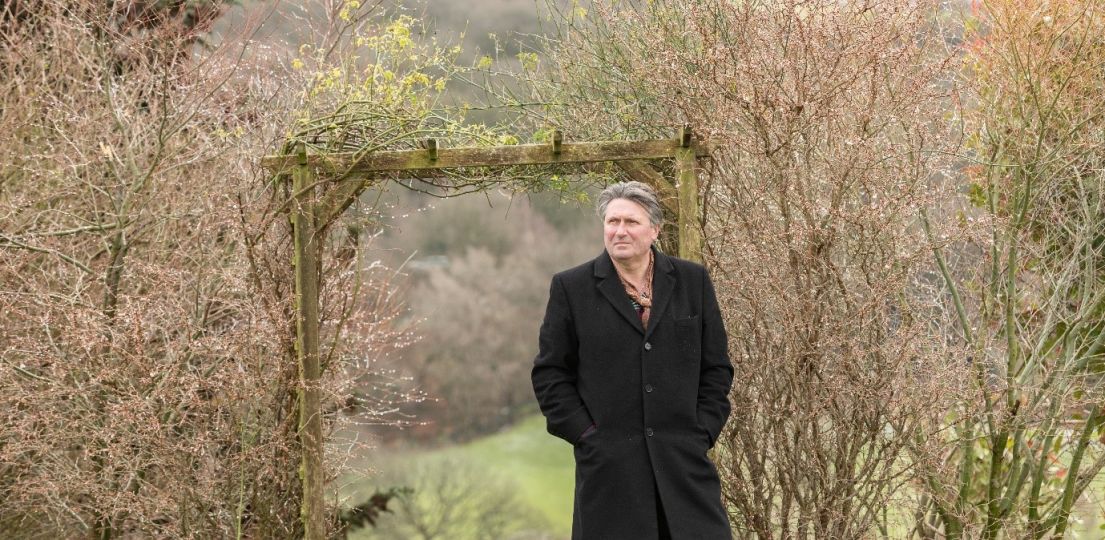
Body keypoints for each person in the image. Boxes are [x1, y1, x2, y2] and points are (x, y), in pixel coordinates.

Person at [531, 181, 734, 539]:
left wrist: (701, 431)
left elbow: (716, 367)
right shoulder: (571, 288)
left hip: (684, 467)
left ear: (654, 229)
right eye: (612, 222)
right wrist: (588, 437)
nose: (619, 231)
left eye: (630, 222)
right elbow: (550, 375)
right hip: (610, 476)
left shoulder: (692, 281)